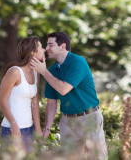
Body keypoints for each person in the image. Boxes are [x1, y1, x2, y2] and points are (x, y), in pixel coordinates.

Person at [30, 31, 108, 159]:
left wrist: (43, 71)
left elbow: (64, 89)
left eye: (50, 45)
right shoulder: (52, 70)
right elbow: (51, 102)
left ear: (62, 46)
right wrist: (47, 129)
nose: (46, 48)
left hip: (89, 117)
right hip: (67, 121)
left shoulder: (78, 62)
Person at [0, 36, 45, 156]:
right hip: (12, 129)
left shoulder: (35, 72)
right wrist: (13, 124)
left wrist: (38, 129)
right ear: (33, 52)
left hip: (28, 129)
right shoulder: (14, 72)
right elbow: (1, 100)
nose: (44, 50)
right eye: (41, 47)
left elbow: (34, 102)